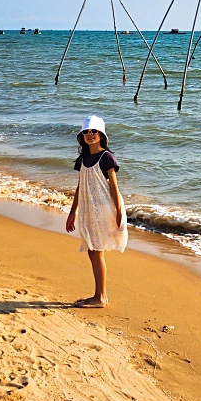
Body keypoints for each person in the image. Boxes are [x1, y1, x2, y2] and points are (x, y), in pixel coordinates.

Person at [65, 115, 127, 308]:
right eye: (86, 132)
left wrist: (118, 213)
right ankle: (99, 295)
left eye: (94, 131)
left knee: (97, 251)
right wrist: (72, 212)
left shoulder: (106, 158)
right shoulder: (82, 159)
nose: (90, 134)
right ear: (82, 136)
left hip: (104, 208)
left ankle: (100, 298)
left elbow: (114, 188)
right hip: (88, 209)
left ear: (102, 135)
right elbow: (79, 187)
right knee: (92, 251)